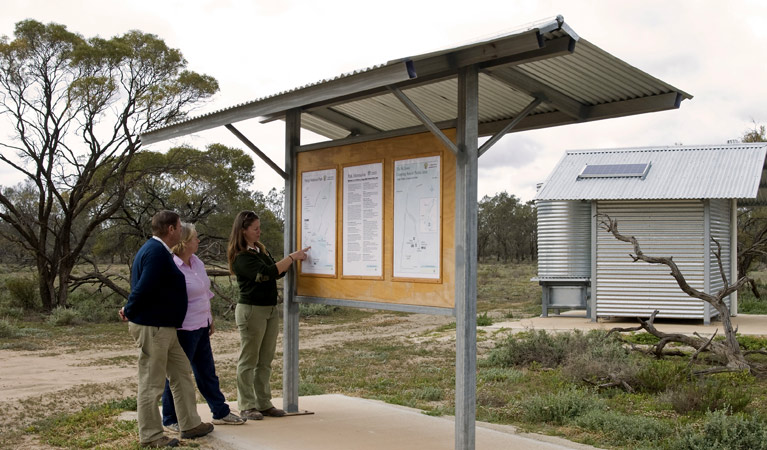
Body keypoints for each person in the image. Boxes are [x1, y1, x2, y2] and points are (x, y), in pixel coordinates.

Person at [120, 211, 214, 448]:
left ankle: (190, 424)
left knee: (181, 373)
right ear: (171, 229)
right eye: (180, 226)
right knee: (151, 383)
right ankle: (151, 436)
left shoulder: (159, 251)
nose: (182, 230)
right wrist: (129, 309)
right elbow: (144, 287)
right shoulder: (156, 253)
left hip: (167, 328)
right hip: (154, 327)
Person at [161, 222, 247, 431]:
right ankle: (170, 418)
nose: (198, 241)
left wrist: (210, 319)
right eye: (195, 238)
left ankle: (220, 411)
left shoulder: (197, 262)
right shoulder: (171, 265)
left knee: (207, 372)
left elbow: (205, 293)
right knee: (178, 375)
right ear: (184, 243)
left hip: (201, 325)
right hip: (183, 330)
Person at [227, 210, 310, 420]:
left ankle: (263, 403)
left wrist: (291, 262)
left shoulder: (259, 250)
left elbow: (278, 271)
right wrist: (291, 257)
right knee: (249, 359)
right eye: (255, 229)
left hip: (270, 309)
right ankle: (246, 404)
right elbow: (267, 273)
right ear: (243, 231)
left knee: (265, 360)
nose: (259, 232)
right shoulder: (241, 256)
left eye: (259, 228)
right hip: (251, 311)